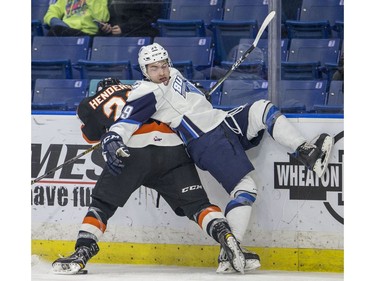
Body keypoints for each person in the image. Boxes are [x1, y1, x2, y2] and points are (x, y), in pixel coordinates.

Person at [101, 43, 334, 273]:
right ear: (144, 71)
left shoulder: (174, 74)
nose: (161, 72)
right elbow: (126, 121)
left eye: (163, 65)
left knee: (262, 109)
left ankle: (308, 154)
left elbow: (186, 96)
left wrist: (197, 96)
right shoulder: (145, 92)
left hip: (222, 121)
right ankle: (229, 252)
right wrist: (112, 137)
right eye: (154, 68)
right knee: (246, 188)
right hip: (206, 140)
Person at [51, 78, 250, 275]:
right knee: (198, 206)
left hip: (132, 150)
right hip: (172, 149)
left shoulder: (91, 101)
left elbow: (90, 136)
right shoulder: (147, 88)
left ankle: (83, 251)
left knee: (101, 205)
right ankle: (224, 233)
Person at [43, 0, 110, 36]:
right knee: (56, 30)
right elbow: (51, 13)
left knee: (56, 31)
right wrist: (56, 22)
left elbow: (102, 18)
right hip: (64, 30)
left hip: (86, 34)